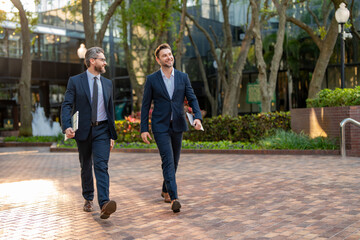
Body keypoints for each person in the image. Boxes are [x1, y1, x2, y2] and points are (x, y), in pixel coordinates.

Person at [140, 43, 203, 213]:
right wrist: (144, 128)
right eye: (164, 56)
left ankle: (165, 188)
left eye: (170, 54)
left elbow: (192, 98)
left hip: (178, 125)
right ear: (158, 60)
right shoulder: (152, 79)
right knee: (168, 159)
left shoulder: (183, 77)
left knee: (174, 161)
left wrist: (197, 117)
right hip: (160, 126)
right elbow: (145, 106)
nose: (169, 57)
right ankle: (174, 197)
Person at [61, 47, 118, 219]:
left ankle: (104, 204)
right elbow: (67, 105)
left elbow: (110, 110)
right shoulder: (75, 81)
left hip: (102, 130)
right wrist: (66, 126)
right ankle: (88, 197)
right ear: (92, 60)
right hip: (83, 130)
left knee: (101, 165)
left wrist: (111, 135)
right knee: (86, 165)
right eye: (102, 59)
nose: (105, 62)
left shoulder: (107, 83)